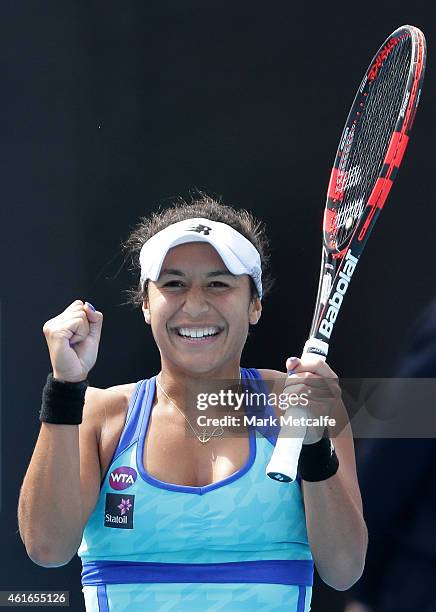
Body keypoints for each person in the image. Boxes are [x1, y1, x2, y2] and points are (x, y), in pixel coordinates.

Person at [18, 194, 367, 611]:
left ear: (254, 304)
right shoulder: (99, 413)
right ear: (147, 304)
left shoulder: (310, 405)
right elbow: (47, 548)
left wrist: (313, 443)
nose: (195, 305)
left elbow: (344, 569)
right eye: (174, 284)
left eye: (218, 284)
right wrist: (65, 389)